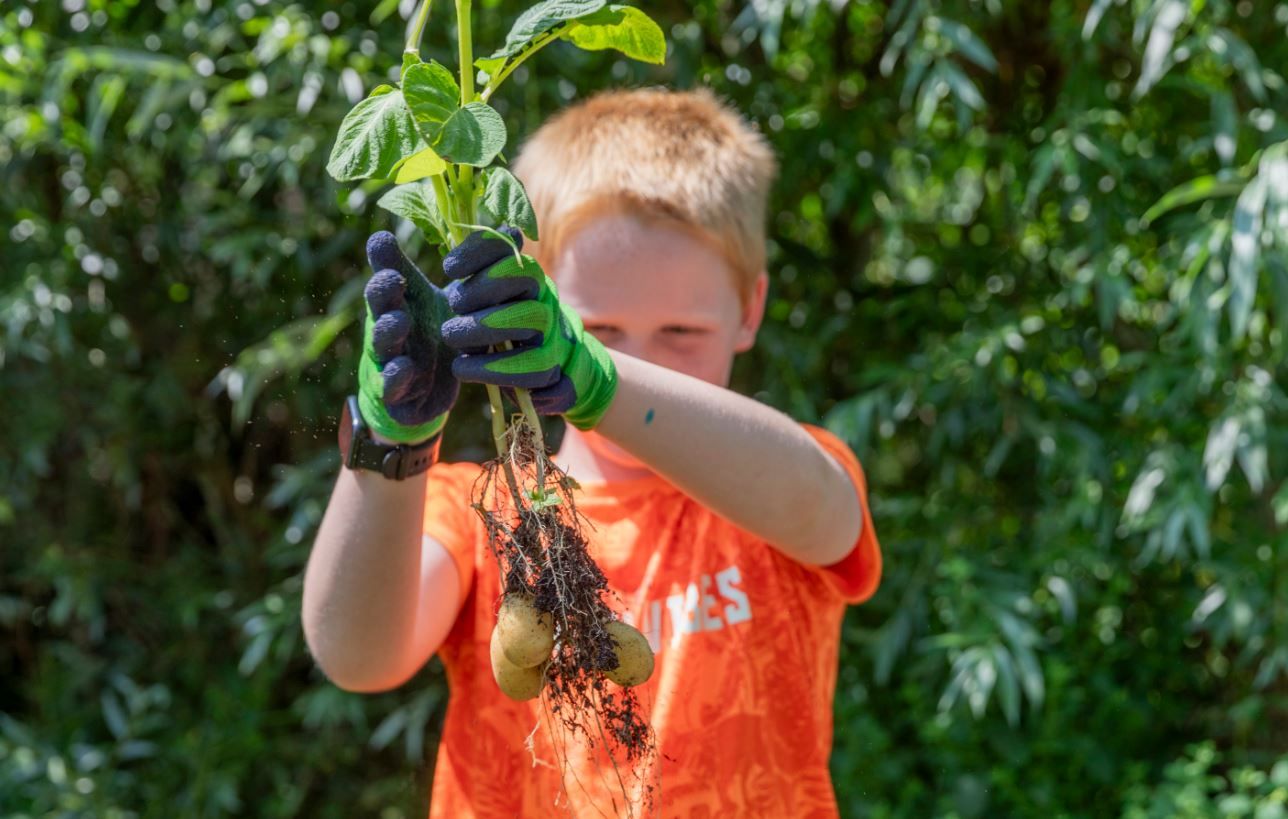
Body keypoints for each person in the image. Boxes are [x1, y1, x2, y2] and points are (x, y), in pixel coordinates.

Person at [303, 86, 882, 818]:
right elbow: (356, 655)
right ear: (524, 298)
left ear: (751, 309)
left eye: (681, 333)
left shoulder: (772, 477)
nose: (643, 359)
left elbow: (819, 507)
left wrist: (599, 377)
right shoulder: (478, 508)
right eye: (599, 331)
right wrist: (392, 443)